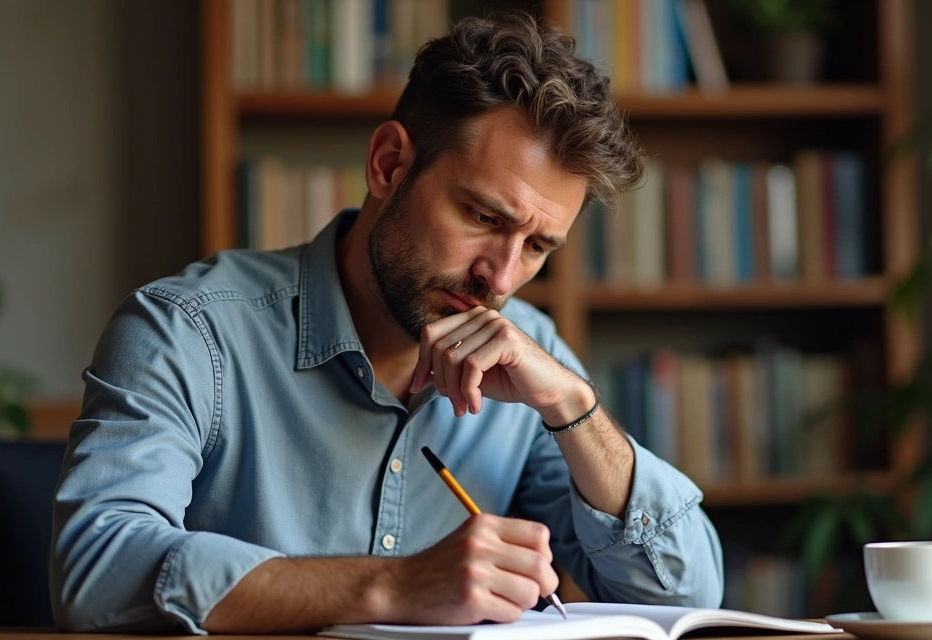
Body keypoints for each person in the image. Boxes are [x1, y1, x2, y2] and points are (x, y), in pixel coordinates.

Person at [49, 11, 724, 634]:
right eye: (485, 218)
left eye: (539, 247)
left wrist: (576, 408)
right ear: (388, 165)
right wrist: (394, 588)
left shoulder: (531, 358)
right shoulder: (186, 331)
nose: (503, 277)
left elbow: (682, 603)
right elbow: (97, 570)